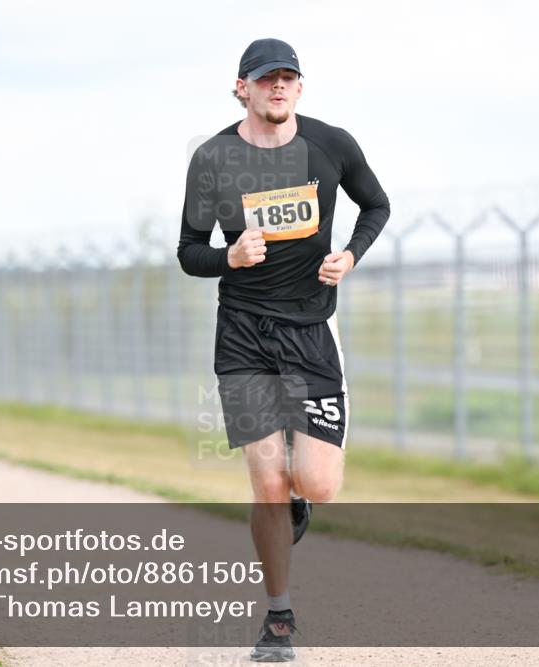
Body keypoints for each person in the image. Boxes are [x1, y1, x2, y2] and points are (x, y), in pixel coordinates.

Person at [177, 37, 390, 662]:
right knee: (267, 483)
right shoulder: (213, 158)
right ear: (241, 88)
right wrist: (229, 257)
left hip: (311, 330)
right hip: (243, 333)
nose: (278, 86)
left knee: (316, 485)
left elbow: (376, 205)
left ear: (299, 87)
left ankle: (301, 494)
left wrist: (350, 256)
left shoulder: (331, 145)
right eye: (266, 77)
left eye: (288, 78)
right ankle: (278, 620)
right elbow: (189, 251)